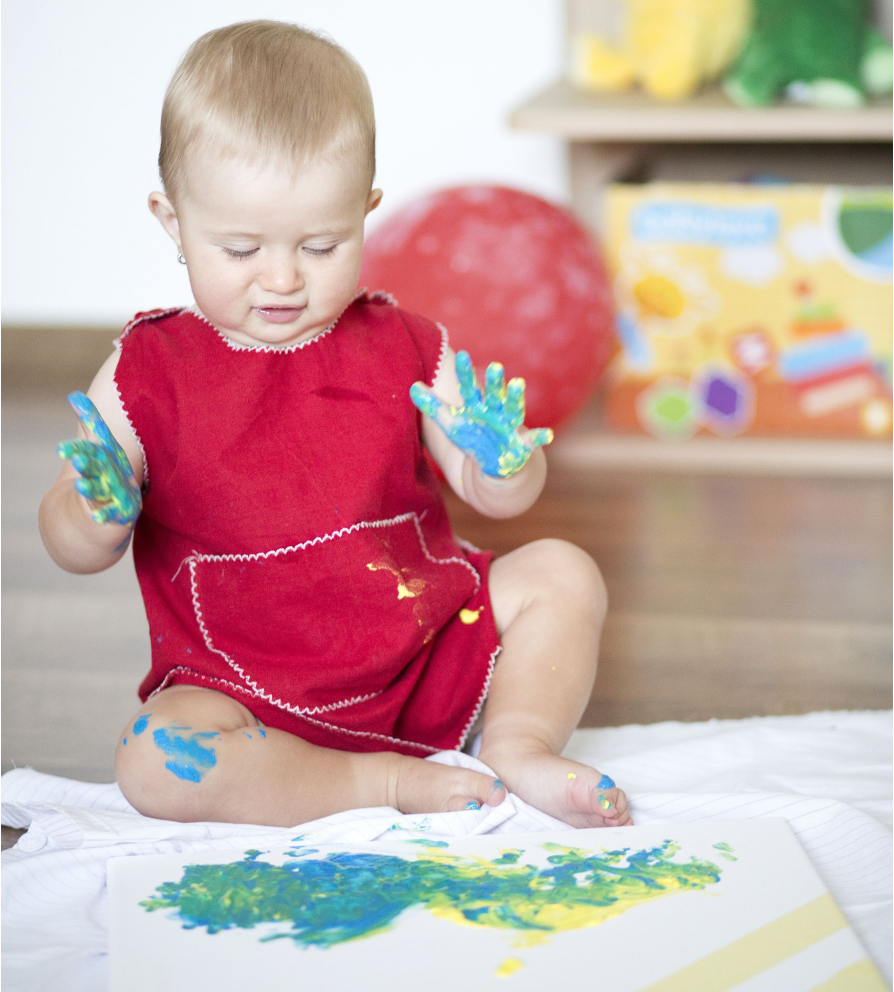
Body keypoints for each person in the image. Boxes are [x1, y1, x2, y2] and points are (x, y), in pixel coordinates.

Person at [38, 20, 630, 830]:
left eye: (321, 244)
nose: (281, 278)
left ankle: (517, 744)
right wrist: (92, 513)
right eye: (240, 248)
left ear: (367, 213)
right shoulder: (146, 372)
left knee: (564, 572)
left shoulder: (409, 345)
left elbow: (497, 497)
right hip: (247, 698)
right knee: (155, 762)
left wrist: (506, 463)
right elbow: (70, 549)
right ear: (173, 222)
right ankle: (379, 785)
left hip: (423, 653)